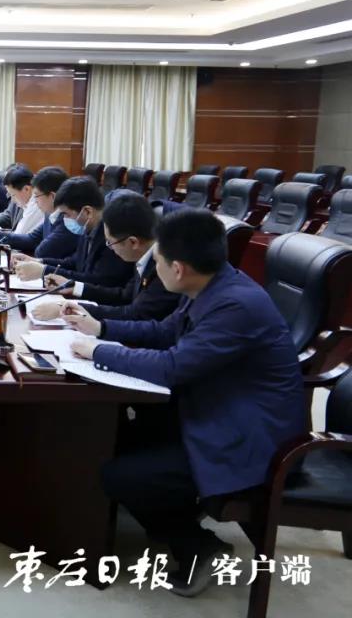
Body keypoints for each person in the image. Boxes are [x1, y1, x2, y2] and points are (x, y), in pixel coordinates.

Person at [68, 209, 304, 596]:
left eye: (157, 261)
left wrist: (98, 351)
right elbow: (165, 332)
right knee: (111, 437)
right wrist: (102, 328)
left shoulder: (236, 306)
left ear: (177, 269)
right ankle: (174, 512)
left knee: (119, 474)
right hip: (217, 408)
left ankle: (198, 546)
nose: (153, 269)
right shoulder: (214, 285)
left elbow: (172, 366)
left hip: (253, 438)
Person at [31, 192, 179, 322]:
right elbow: (124, 296)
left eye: (110, 242)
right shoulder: (142, 257)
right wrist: (73, 286)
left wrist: (73, 310)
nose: (109, 248)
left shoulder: (165, 267)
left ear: (133, 242)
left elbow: (135, 314)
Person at [14, 176, 133, 287]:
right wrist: (39, 262)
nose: (64, 219)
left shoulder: (110, 236)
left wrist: (44, 271)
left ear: (87, 211)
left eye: (66, 214)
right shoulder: (87, 228)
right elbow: (74, 262)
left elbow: (96, 280)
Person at [0, 166, 77, 259]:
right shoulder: (50, 214)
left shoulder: (68, 221)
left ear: (52, 196)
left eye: (36, 196)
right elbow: (31, 239)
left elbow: (42, 252)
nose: (35, 201)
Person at [0, 164, 44, 233]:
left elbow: (19, 234)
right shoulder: (26, 201)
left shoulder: (36, 204)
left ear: (26, 189)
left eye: (13, 195)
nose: (12, 200)